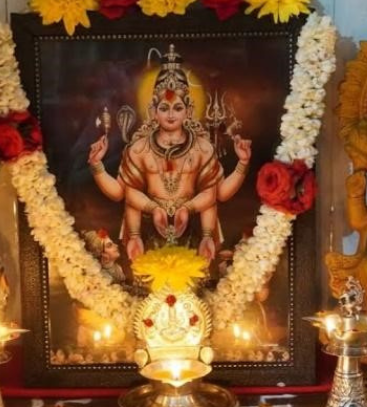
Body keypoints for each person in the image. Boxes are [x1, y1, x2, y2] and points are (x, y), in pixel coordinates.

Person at [88, 45, 250, 261]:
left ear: (189, 111)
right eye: (164, 108)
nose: (171, 115)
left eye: (178, 108)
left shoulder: (202, 148)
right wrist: (97, 165)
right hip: (148, 227)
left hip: (192, 226)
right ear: (153, 111)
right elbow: (124, 193)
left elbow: (215, 194)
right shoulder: (139, 148)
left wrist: (242, 163)